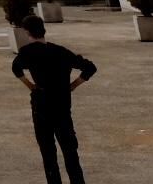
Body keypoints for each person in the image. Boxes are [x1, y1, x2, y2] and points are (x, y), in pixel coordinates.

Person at [11, 14, 96, 184]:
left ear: (27, 32)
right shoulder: (60, 51)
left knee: (48, 152)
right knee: (70, 151)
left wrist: (29, 84)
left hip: (41, 105)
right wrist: (73, 85)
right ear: (43, 30)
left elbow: (16, 68)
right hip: (62, 105)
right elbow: (90, 67)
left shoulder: (27, 52)